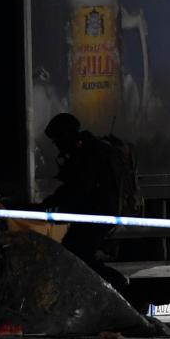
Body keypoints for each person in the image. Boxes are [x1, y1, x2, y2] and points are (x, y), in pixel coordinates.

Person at [41, 113, 122, 282]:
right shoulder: (85, 150)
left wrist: (47, 206)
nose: (57, 146)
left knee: (75, 257)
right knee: (75, 255)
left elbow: (77, 190)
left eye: (57, 140)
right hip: (94, 213)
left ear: (65, 134)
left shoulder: (87, 153)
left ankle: (116, 284)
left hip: (98, 214)